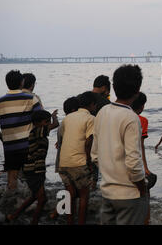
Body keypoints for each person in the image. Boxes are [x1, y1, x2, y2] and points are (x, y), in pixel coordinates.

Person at [91, 64, 148, 225]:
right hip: (129, 194)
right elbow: (133, 162)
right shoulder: (131, 117)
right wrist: (142, 188)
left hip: (107, 191)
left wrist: (110, 175)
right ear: (137, 92)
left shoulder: (102, 112)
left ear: (114, 87)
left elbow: (95, 155)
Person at [0, 70, 43, 190]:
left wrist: (3, 139)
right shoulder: (31, 99)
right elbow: (41, 119)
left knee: (12, 178)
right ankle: (30, 202)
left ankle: (10, 202)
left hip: (10, 147)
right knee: (31, 177)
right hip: (28, 145)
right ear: (22, 82)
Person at [6, 110, 57, 224]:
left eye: (48, 121)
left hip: (35, 169)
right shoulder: (38, 131)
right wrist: (54, 117)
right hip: (34, 170)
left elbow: (53, 126)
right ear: (37, 123)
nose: (48, 124)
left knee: (35, 196)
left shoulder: (38, 130)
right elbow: (55, 125)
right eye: (46, 122)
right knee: (42, 199)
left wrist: (52, 118)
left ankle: (13, 216)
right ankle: (33, 222)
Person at [58, 91, 96, 225]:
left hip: (63, 163)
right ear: (92, 105)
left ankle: (69, 222)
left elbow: (61, 139)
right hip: (78, 162)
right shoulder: (90, 118)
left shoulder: (67, 118)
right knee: (84, 196)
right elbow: (88, 141)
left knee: (69, 195)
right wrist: (89, 162)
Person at [50, 96, 80, 220]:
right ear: (74, 110)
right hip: (69, 162)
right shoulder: (73, 123)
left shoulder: (64, 123)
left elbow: (60, 142)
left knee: (71, 192)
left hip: (62, 163)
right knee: (72, 193)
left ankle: (67, 218)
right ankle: (58, 212)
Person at [131, 92, 157, 225]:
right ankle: (146, 221)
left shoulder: (120, 117)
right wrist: (145, 168)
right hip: (135, 163)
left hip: (117, 165)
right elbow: (140, 146)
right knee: (145, 194)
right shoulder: (142, 120)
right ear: (141, 106)